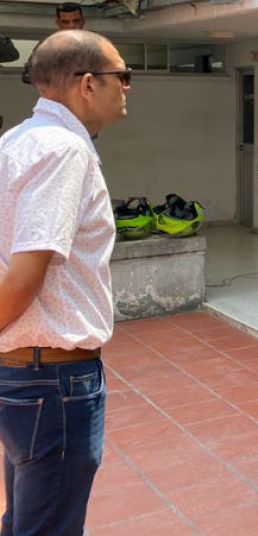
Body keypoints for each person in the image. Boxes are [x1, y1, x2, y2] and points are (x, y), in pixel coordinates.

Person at [0, 29, 129, 535]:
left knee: (26, 519)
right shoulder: (62, 150)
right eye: (123, 76)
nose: (128, 87)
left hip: (28, 374)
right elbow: (25, 273)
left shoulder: (18, 140)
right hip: (52, 382)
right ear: (88, 84)